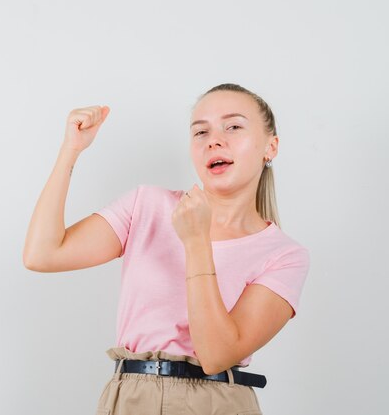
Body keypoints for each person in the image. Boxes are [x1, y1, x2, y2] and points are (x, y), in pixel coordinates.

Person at [22, 83, 310, 415]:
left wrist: (197, 242)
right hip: (131, 396)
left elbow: (215, 353)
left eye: (233, 126)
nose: (214, 139)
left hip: (217, 403)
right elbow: (43, 254)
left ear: (270, 146)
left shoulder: (284, 255)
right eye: (200, 132)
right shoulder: (147, 205)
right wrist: (70, 150)